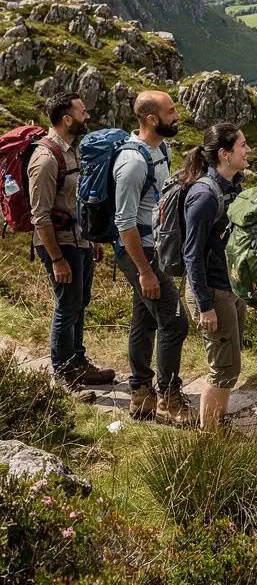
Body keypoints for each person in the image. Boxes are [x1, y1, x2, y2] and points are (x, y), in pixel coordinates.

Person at [114, 90, 193, 425]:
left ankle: (141, 394)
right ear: (150, 119)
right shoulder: (132, 164)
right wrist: (145, 271)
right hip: (139, 253)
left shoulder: (161, 149)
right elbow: (124, 222)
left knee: (144, 319)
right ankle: (169, 398)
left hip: (154, 248)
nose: (177, 115)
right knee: (175, 321)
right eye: (170, 111)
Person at [28, 91, 114, 397]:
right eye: (82, 112)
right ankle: (62, 375)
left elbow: (74, 201)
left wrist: (91, 239)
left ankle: (78, 362)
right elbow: (40, 217)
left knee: (80, 302)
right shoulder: (45, 159)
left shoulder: (72, 150)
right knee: (67, 305)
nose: (87, 116)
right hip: (58, 244)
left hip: (78, 240)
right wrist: (56, 259)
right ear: (67, 119)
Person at [181, 124, 249, 431]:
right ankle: (209, 435)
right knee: (223, 367)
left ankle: (216, 426)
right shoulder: (205, 195)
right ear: (224, 154)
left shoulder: (232, 187)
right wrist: (205, 305)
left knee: (230, 362)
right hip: (212, 292)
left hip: (229, 288)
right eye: (242, 146)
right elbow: (191, 254)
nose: (248, 150)